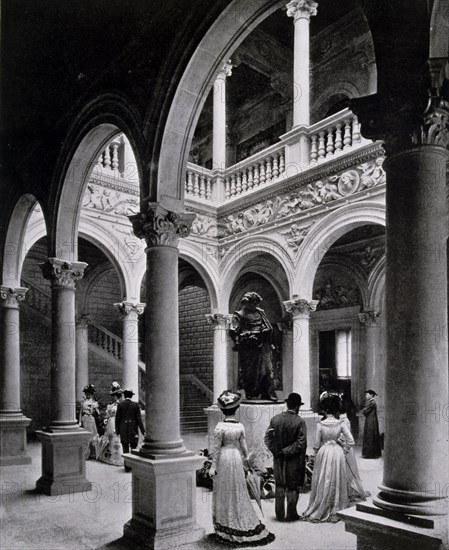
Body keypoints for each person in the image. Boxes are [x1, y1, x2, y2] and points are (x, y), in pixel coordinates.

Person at [209, 390, 275, 545]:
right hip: (236, 458)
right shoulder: (240, 426)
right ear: (235, 410)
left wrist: (213, 466)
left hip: (225, 458)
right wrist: (247, 463)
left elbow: (216, 449)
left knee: (225, 489)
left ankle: (225, 522)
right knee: (237, 489)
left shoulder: (219, 427)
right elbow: (244, 449)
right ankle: (233, 518)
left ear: (223, 411)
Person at [302, 394, 354, 523]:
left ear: (325, 409)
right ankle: (335, 505)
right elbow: (351, 441)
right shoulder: (340, 423)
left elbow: (316, 444)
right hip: (337, 452)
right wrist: (344, 450)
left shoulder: (320, 424)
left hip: (324, 451)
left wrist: (315, 455)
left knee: (324, 477)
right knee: (336, 477)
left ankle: (322, 503)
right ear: (336, 409)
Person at [264, 392, 307, 521]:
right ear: (297, 407)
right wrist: (285, 451)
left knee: (280, 485)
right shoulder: (300, 421)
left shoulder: (275, 419)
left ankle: (279, 514)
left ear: (287, 404)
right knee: (292, 486)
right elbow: (301, 443)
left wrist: (276, 451)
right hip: (293, 460)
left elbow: (267, 438)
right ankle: (291, 514)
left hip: (278, 459)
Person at [229, 292, 278, 401]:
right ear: (247, 302)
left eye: (256, 303)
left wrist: (265, 332)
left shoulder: (261, 312)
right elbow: (233, 331)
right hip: (248, 347)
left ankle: (266, 393)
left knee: (266, 370)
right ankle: (251, 393)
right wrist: (245, 336)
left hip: (263, 345)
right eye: (252, 303)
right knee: (250, 371)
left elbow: (268, 326)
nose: (255, 306)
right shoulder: (239, 314)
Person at [339, 403, 369, 502]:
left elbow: (344, 437)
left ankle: (348, 492)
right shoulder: (343, 420)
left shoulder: (344, 421)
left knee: (347, 471)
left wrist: (337, 440)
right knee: (346, 470)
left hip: (346, 447)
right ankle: (346, 491)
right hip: (346, 447)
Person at [115, 388, 145, 470]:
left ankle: (127, 466)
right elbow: (139, 420)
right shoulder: (135, 405)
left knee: (125, 448)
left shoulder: (120, 405)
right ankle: (133, 465)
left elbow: (117, 418)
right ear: (131, 396)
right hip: (133, 429)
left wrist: (117, 430)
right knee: (134, 447)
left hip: (123, 429)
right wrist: (143, 431)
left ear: (124, 396)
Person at [97, 381, 124, 466]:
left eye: (114, 396)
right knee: (109, 438)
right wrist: (106, 419)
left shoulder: (120, 404)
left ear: (117, 396)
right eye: (112, 396)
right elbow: (107, 414)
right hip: (110, 422)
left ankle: (117, 457)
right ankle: (108, 457)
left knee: (116, 438)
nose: (113, 397)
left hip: (116, 421)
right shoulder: (110, 405)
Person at [79, 384, 99, 459]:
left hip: (90, 419)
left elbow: (97, 413)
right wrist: (80, 421)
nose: (88, 396)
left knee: (91, 436)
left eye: (89, 394)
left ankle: (92, 453)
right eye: (87, 394)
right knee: (84, 437)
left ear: (92, 394)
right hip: (84, 419)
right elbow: (81, 412)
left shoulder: (94, 403)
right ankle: (85, 453)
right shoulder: (83, 402)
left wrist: (95, 409)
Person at [362, 389, 382, 458]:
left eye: (367, 394)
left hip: (371, 422)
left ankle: (370, 454)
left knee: (370, 436)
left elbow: (365, 412)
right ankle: (371, 454)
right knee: (371, 436)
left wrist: (364, 410)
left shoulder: (372, 403)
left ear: (371, 395)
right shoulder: (372, 402)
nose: (366, 396)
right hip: (371, 421)